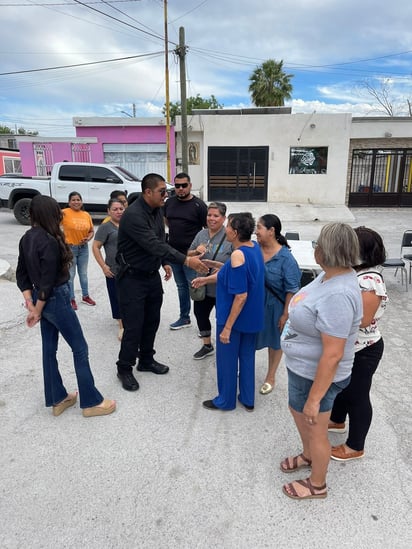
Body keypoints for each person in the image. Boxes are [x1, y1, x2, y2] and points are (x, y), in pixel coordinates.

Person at [280, 223, 362, 500]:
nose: (314, 249)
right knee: (298, 413)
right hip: (302, 369)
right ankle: (308, 455)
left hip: (317, 376)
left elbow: (333, 353)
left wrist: (315, 399)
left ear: (324, 253)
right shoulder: (330, 276)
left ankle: (318, 484)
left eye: (317, 244)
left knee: (316, 429)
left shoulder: (338, 294)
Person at [16, 195, 115, 418]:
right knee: (80, 348)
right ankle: (91, 402)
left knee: (49, 351)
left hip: (41, 300)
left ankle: (57, 399)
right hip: (55, 299)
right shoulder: (50, 241)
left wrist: (31, 304)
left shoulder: (27, 238)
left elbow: (22, 274)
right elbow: (49, 282)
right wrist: (37, 310)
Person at [115, 173, 209, 392]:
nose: (166, 195)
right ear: (148, 192)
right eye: (161, 191)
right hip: (131, 278)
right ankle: (125, 368)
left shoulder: (157, 210)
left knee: (152, 321)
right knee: (134, 325)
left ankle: (146, 360)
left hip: (150, 275)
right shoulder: (133, 215)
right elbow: (152, 243)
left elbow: (160, 241)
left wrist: (164, 261)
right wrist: (186, 260)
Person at [329, 226, 388, 461]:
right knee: (343, 386)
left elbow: (362, 320)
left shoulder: (370, 280)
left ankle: (355, 446)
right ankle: (336, 420)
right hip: (351, 346)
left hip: (364, 349)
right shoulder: (355, 273)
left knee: (358, 395)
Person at [200, 212, 265, 411]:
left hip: (233, 318)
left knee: (226, 362)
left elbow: (241, 295)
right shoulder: (254, 248)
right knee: (246, 357)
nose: (225, 229)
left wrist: (227, 328)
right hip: (252, 316)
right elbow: (240, 272)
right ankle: (247, 398)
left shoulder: (237, 255)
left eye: (228, 226)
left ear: (235, 233)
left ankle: (225, 401)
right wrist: (215, 268)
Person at [255, 214, 301, 394]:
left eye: (259, 227)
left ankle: (271, 376)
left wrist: (285, 314)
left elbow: (292, 289)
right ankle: (245, 369)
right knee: (249, 338)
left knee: (275, 342)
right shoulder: (253, 249)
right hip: (253, 304)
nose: (256, 231)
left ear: (271, 231)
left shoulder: (286, 259)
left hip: (275, 307)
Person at [187, 202, 232, 359]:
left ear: (224, 218)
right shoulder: (201, 235)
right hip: (202, 285)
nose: (211, 219)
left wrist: (223, 267)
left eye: (216, 216)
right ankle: (207, 345)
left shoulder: (230, 236)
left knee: (223, 318)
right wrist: (195, 251)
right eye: (209, 215)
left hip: (222, 287)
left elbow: (238, 260)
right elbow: (188, 254)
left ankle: (226, 348)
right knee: (200, 313)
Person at [163, 172, 207, 330]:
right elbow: (167, 221)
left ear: (190, 186)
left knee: (196, 287)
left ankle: (203, 324)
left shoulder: (199, 205)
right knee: (181, 287)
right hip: (174, 254)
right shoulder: (169, 203)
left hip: (192, 256)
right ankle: (184, 318)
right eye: (177, 186)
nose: (180, 188)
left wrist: (200, 250)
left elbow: (207, 230)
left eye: (184, 185)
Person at [92, 198, 125, 341]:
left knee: (130, 297)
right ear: (108, 211)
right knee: (117, 298)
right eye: (115, 209)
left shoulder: (128, 224)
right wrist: (104, 266)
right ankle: (122, 326)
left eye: (121, 209)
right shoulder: (105, 227)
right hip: (113, 269)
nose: (118, 212)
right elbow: (95, 247)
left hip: (130, 269)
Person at [61, 191, 95, 310]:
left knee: (83, 274)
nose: (76, 202)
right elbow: (55, 227)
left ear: (81, 201)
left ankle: (85, 296)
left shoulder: (86, 214)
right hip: (70, 249)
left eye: (78, 200)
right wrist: (63, 241)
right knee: (70, 275)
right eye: (73, 200)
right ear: (69, 202)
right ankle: (71, 299)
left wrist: (89, 237)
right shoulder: (64, 213)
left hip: (83, 249)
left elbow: (91, 230)